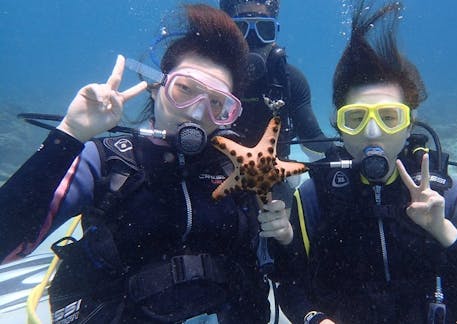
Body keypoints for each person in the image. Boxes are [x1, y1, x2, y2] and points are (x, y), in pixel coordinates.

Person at [0, 4, 293, 323]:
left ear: (229, 113)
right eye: (185, 90)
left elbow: (274, 268)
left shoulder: (238, 170)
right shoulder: (108, 161)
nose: (196, 113)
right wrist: (70, 135)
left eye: (216, 104)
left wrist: (283, 236)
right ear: (157, 86)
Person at [273, 1, 457, 323]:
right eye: (355, 118)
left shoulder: (450, 197)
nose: (372, 133)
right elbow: (290, 284)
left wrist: (443, 230)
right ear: (339, 126)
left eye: (389, 118)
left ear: (410, 125)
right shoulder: (314, 198)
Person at [219, 0, 333, 161]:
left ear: (275, 32)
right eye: (241, 29)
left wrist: (339, 156)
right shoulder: (211, 80)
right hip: (216, 169)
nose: (253, 40)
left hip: (272, 169)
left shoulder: (290, 80)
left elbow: (312, 136)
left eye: (264, 30)